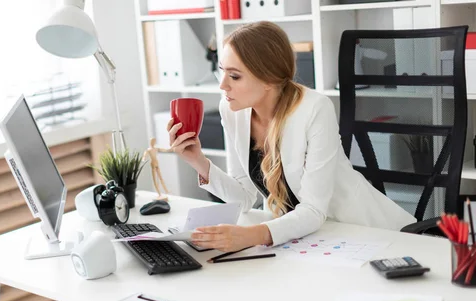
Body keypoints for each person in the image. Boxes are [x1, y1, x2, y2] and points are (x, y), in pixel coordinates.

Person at [167, 22, 416, 252]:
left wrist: (251, 235)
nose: (223, 85)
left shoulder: (315, 108)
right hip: (299, 239)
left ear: (269, 79)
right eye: (221, 72)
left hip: (357, 232)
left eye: (234, 76)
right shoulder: (232, 110)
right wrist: (198, 161)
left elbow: (314, 210)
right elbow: (243, 198)